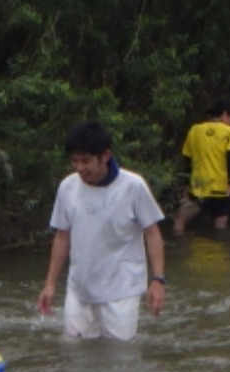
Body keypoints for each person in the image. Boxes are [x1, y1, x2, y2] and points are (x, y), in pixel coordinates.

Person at [36, 122, 166, 341]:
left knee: (119, 359)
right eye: (74, 161)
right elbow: (62, 237)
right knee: (76, 355)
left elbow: (152, 233)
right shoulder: (68, 187)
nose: (80, 168)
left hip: (121, 291)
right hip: (79, 288)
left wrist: (158, 280)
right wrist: (50, 284)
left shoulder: (133, 186)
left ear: (105, 156)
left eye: (86, 161)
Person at [173, 101, 230, 234]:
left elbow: (188, 160)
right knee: (220, 229)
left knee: (179, 220)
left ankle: (178, 244)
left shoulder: (194, 130)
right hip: (221, 188)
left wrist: (186, 185)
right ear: (225, 114)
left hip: (199, 187)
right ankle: (218, 252)